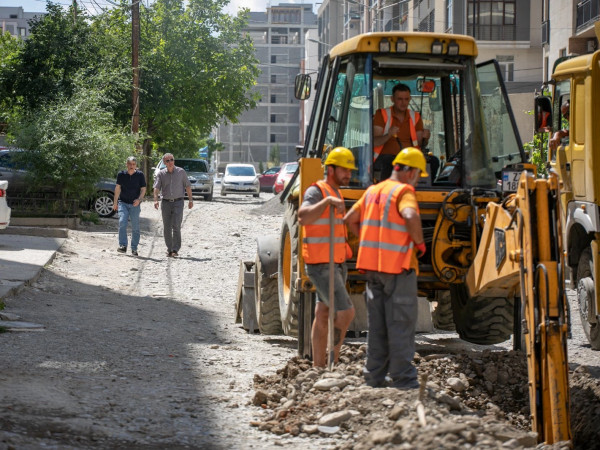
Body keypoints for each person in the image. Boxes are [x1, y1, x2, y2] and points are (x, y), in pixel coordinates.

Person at [344, 147, 427, 389]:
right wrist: (419, 244)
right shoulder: (404, 192)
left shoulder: (372, 192)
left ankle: (374, 377)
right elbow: (410, 216)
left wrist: (366, 242)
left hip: (373, 270)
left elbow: (350, 218)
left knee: (377, 326)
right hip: (398, 269)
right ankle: (403, 379)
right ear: (409, 171)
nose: (418, 179)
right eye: (418, 173)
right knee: (400, 323)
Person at [298, 147, 357, 368]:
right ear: (330, 169)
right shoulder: (318, 191)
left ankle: (318, 367)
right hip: (321, 264)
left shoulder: (337, 192)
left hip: (336, 262)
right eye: (345, 170)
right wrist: (326, 203)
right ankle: (332, 362)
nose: (349, 175)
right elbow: (303, 217)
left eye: (350, 170)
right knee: (346, 312)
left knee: (322, 313)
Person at [373, 83, 431, 180]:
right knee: (389, 161)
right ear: (392, 99)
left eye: (406, 99)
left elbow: (420, 142)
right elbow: (375, 141)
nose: (403, 103)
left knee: (433, 161)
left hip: (409, 158)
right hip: (384, 158)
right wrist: (388, 135)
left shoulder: (415, 116)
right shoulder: (381, 114)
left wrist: (426, 137)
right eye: (400, 99)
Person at [153, 153, 194, 257]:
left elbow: (188, 186)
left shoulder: (181, 172)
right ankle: (169, 249)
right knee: (167, 227)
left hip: (178, 202)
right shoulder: (161, 174)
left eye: (171, 160)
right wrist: (155, 200)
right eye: (167, 161)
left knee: (176, 225)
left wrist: (190, 200)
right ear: (164, 163)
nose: (170, 162)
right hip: (166, 203)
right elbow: (156, 188)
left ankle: (175, 249)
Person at [113, 156, 147, 256]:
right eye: (130, 164)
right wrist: (115, 202)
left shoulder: (140, 175)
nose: (131, 166)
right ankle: (123, 245)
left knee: (135, 226)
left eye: (133, 164)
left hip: (135, 204)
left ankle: (134, 248)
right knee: (122, 222)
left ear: (136, 165)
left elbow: (143, 189)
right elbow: (117, 188)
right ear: (126, 164)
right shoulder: (121, 175)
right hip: (123, 203)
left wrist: (139, 199)